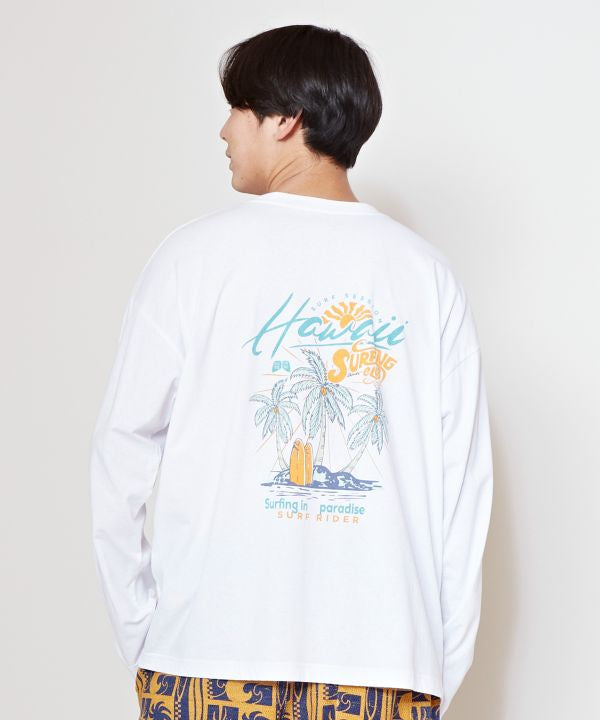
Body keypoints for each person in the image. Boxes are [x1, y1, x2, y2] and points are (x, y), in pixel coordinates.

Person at [89, 24, 493, 720]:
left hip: (205, 661)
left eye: (237, 108)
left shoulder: (190, 259)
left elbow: (119, 452)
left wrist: (146, 637)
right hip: (385, 669)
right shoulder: (427, 275)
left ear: (284, 119)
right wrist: (434, 672)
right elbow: (464, 489)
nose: (224, 130)